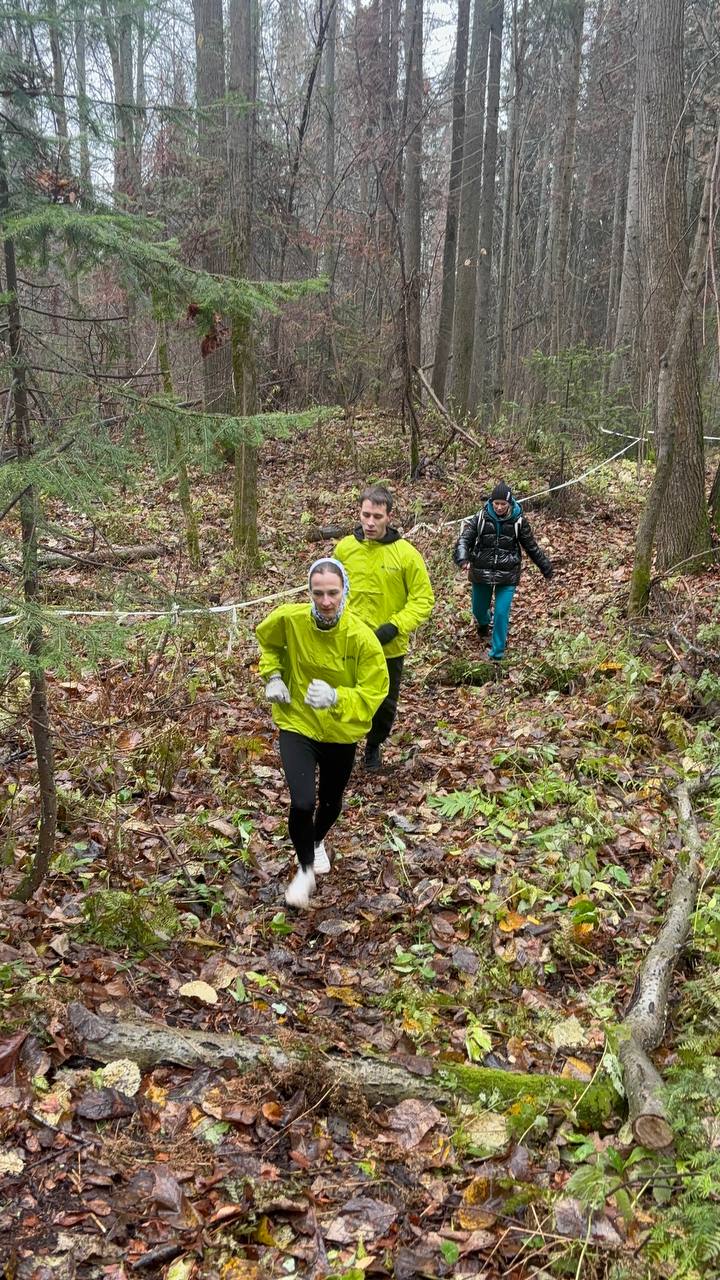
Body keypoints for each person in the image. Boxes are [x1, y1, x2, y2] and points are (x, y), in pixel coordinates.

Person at [256, 557, 389, 908]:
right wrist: (273, 676)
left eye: (333, 592)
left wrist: (336, 697)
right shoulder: (290, 619)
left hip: (340, 731)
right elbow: (267, 642)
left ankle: (316, 842)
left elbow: (375, 690)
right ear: (309, 592)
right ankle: (304, 871)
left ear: (344, 591)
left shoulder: (361, 638)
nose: (326, 601)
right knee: (302, 801)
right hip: (298, 721)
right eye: (318, 593)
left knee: (330, 802)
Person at [334, 485, 434, 771]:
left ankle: (374, 745)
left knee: (384, 702)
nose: (370, 522)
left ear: (389, 517)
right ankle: (343, 746)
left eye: (377, 516)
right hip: (349, 641)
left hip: (388, 645)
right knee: (346, 694)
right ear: (359, 513)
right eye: (366, 514)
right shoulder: (344, 549)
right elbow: (331, 589)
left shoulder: (406, 554)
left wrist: (395, 626)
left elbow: (423, 599)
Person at [454, 481, 553, 661]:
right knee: (478, 609)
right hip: (481, 571)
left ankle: (496, 654)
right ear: (491, 502)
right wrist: (462, 558)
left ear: (510, 503)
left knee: (501, 612)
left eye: (503, 504)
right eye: (496, 504)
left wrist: (545, 567)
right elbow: (464, 539)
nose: (499, 507)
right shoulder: (481, 518)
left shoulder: (519, 521)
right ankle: (484, 622)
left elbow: (531, 547)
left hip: (508, 573)